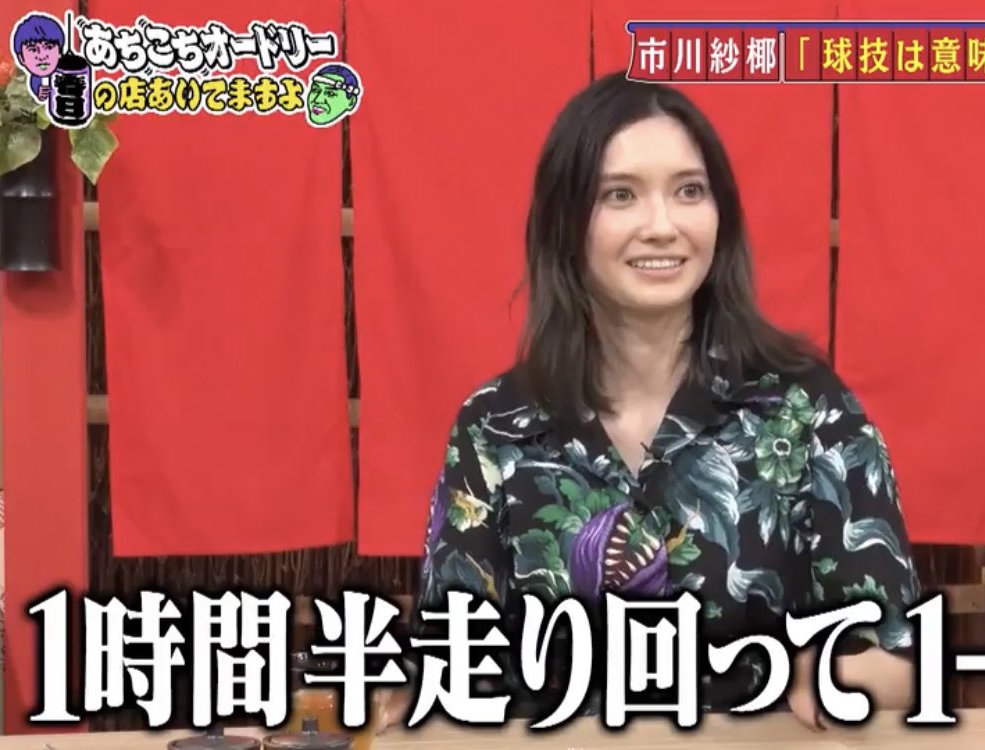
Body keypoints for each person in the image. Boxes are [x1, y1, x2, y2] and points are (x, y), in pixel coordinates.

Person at [375, 71, 922, 732]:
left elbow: (903, 654)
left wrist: (840, 673)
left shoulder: (808, 411)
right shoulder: (495, 425)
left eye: (690, 191)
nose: (662, 226)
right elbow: (452, 651)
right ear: (564, 223)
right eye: (621, 195)